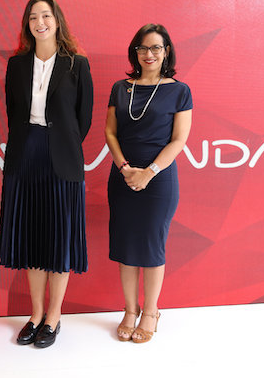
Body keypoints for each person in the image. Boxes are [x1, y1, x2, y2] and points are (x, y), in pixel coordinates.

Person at [0, 0, 94, 348]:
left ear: (57, 20)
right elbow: (12, 110)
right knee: (33, 238)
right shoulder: (16, 65)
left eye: (46, 15)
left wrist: (61, 144)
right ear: (27, 24)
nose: (40, 22)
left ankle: (54, 316)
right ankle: (35, 314)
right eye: (33, 17)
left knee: (59, 238)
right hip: (25, 155)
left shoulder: (76, 64)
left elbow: (83, 118)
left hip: (62, 158)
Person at [105, 23, 193, 343]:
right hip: (123, 176)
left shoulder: (179, 90)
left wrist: (148, 172)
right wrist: (126, 167)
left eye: (156, 48)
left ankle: (151, 311)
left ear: (166, 51)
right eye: (143, 48)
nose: (149, 54)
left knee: (152, 247)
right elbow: (110, 132)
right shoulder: (120, 87)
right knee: (127, 246)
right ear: (135, 52)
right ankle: (130, 310)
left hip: (159, 180)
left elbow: (178, 140)